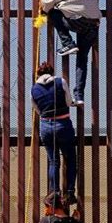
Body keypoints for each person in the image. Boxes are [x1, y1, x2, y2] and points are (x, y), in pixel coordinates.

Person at [40, 0, 102, 106]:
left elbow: (44, 7)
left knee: (54, 12)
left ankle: (68, 43)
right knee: (82, 60)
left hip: (77, 21)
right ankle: (78, 96)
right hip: (93, 24)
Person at [31, 61, 78, 205]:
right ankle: (69, 193)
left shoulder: (34, 89)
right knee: (70, 159)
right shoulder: (60, 82)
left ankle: (54, 192)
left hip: (46, 126)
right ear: (51, 72)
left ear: (38, 74)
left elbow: (37, 109)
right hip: (63, 124)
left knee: (53, 161)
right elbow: (69, 101)